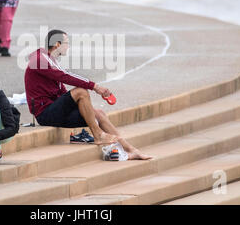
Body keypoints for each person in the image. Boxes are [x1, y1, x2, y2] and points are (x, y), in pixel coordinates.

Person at [24, 29, 153, 160]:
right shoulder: (39, 60)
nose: (68, 46)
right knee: (81, 92)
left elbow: (61, 90)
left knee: (99, 113)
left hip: (55, 111)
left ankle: (131, 149)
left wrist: (86, 110)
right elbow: (65, 77)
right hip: (44, 114)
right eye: (66, 43)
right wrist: (95, 86)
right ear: (57, 44)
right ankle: (98, 135)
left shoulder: (51, 60)